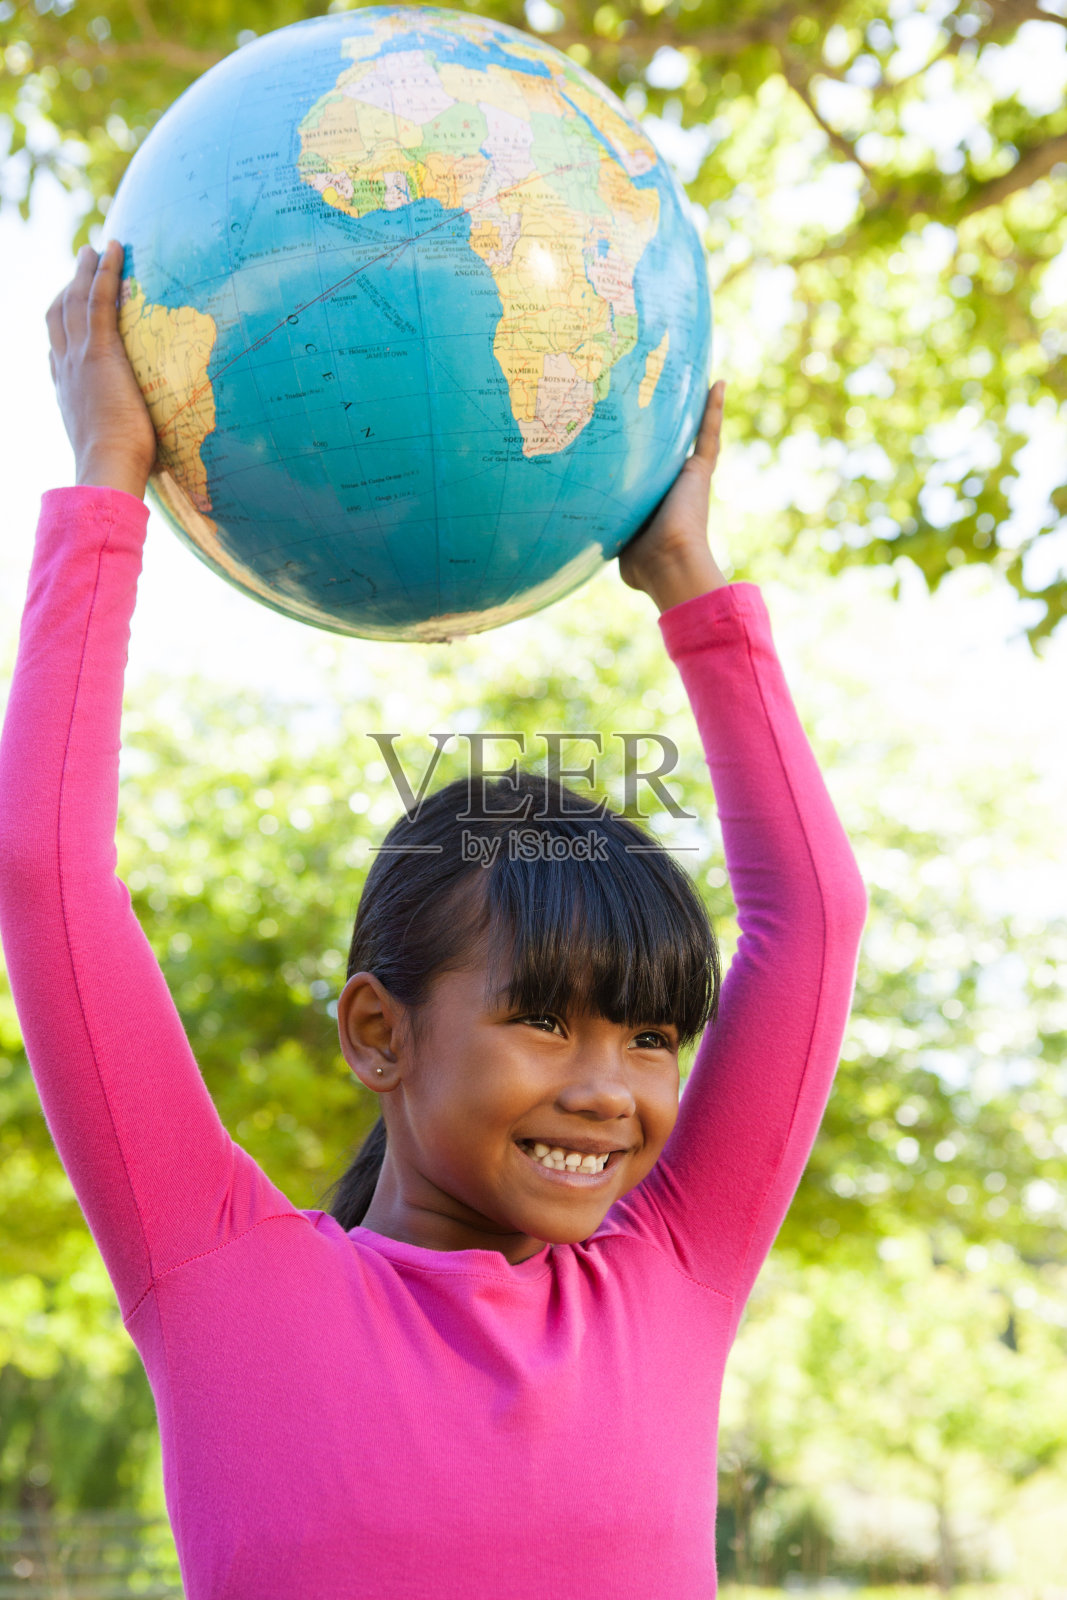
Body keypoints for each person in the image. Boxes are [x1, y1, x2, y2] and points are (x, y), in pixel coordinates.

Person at [0, 241, 868, 1599]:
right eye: (540, 1015)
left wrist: (692, 581)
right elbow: (48, 870)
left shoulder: (674, 1277)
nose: (608, 1090)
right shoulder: (219, 1278)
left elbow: (811, 922)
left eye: (650, 1037)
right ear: (376, 1031)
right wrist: (104, 475)